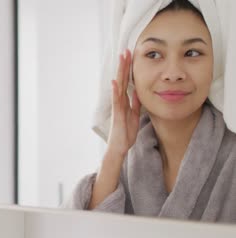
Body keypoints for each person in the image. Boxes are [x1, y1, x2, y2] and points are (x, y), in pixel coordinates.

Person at [64, 0, 236, 223]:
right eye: (154, 54)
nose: (173, 73)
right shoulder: (121, 165)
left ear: (217, 63)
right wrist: (114, 153)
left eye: (192, 53)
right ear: (130, 69)